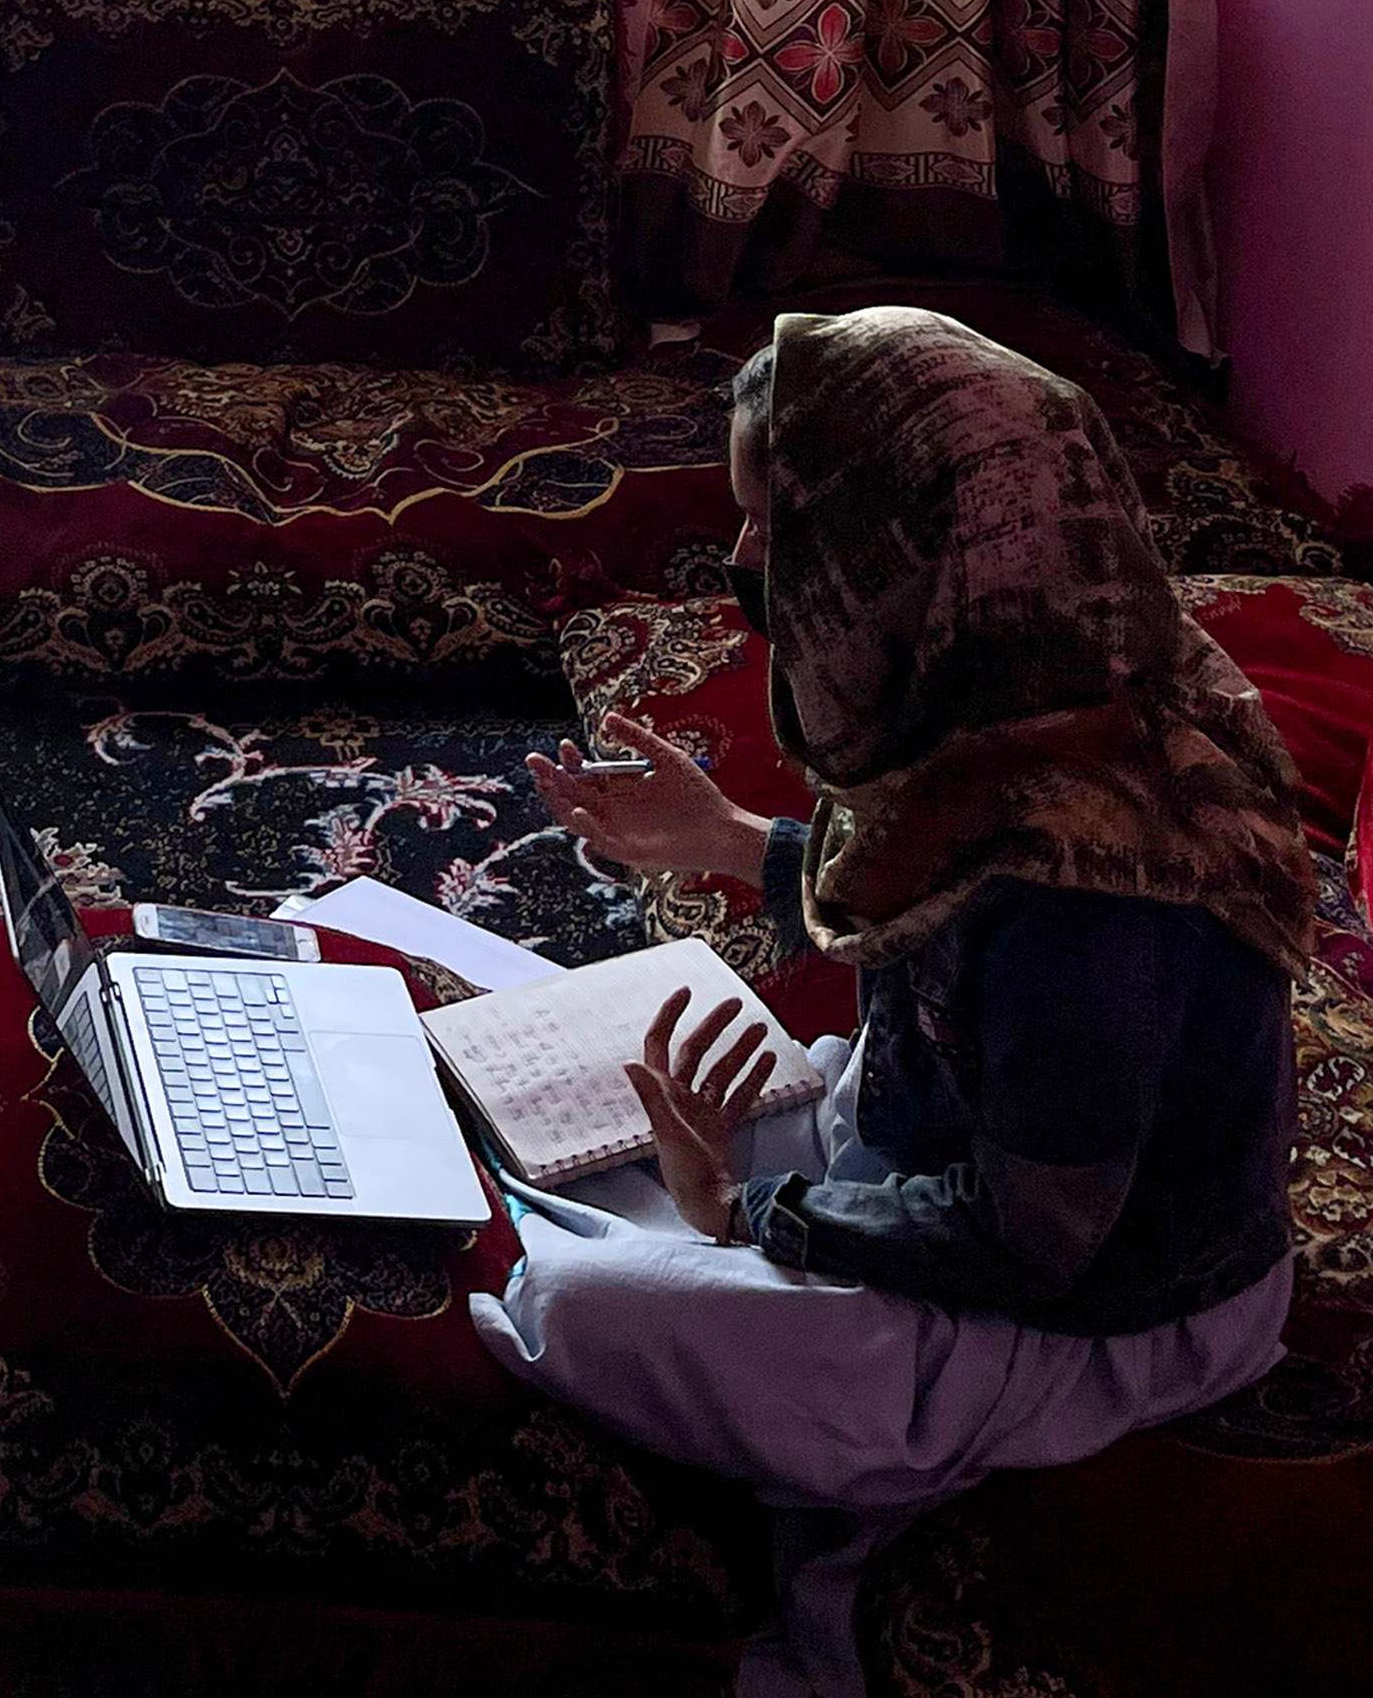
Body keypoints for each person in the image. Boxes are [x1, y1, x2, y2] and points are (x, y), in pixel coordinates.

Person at [471, 306, 1317, 1698]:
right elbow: (938, 887)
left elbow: (1031, 1245)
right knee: (566, 1127)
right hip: (951, 1150)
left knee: (574, 1302)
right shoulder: (1030, 677)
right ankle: (721, 1238)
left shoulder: (1091, 891)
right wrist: (729, 840)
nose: (745, 562)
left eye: (775, 528)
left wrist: (750, 1216)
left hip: (1095, 1314)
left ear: (905, 545)